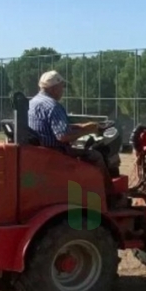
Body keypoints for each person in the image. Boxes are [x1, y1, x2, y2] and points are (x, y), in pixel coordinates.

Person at [28, 70, 116, 200]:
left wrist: (83, 126)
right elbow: (62, 136)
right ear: (53, 88)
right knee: (96, 155)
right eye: (62, 87)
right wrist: (88, 131)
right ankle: (109, 196)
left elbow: (53, 127)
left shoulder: (33, 102)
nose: (63, 90)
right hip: (55, 153)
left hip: (39, 151)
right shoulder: (53, 106)